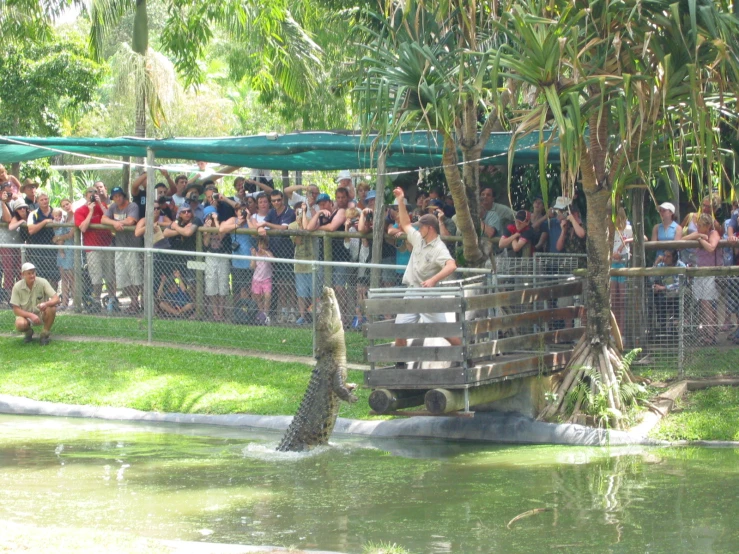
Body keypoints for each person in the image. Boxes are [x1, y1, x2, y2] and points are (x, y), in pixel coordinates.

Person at [391, 187, 461, 356]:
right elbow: (406, 224)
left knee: (446, 333)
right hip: (412, 291)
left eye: (420, 226)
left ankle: (466, 356)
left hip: (429, 294)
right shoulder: (418, 239)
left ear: (429, 228)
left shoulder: (439, 247)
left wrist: (433, 280)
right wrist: (401, 200)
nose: (418, 229)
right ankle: (400, 365)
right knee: (399, 330)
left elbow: (452, 265)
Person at [307, 189, 350, 322]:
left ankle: (342, 317)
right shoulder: (321, 215)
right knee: (326, 289)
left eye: (325, 203)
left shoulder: (341, 211)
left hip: (340, 257)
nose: (323, 206)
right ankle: (329, 317)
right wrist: (318, 213)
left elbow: (332, 228)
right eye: (320, 204)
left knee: (339, 289)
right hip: (324, 257)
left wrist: (318, 229)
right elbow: (309, 228)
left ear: (331, 203)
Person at [101, 186, 142, 313]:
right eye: (115, 196)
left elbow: (131, 221)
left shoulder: (132, 206)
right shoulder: (113, 207)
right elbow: (103, 219)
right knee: (122, 277)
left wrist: (119, 223)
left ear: (123, 196)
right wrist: (115, 223)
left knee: (135, 276)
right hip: (119, 246)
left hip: (133, 247)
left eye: (119, 195)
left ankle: (135, 304)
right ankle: (132, 302)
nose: (117, 198)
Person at [74, 187, 115, 311]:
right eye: (90, 193)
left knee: (110, 275)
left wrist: (100, 205)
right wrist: (91, 211)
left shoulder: (102, 205)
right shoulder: (80, 210)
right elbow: (83, 228)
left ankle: (112, 300)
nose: (92, 195)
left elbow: (110, 219)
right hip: (92, 247)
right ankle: (96, 301)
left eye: (95, 193)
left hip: (107, 245)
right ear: (86, 195)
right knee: (96, 276)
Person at [683, 213, 721, 344]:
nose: (698, 228)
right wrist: (697, 235)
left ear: (708, 225)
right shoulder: (700, 234)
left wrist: (700, 240)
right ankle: (707, 332)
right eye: (697, 226)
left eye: (700, 226)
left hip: (710, 273)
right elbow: (682, 240)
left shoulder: (713, 233)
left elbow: (711, 247)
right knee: (702, 304)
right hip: (699, 273)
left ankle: (710, 335)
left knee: (707, 304)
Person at [261, 190, 296, 323]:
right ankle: (283, 312)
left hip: (288, 253)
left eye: (278, 200)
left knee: (290, 285)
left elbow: (283, 228)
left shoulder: (289, 212)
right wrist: (262, 227)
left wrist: (266, 225)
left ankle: (292, 311)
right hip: (275, 253)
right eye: (274, 200)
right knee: (280, 285)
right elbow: (261, 226)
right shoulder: (271, 212)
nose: (276, 202)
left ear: (283, 199)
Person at [10, 262, 59, 345]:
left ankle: (44, 334)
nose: (32, 275)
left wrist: (46, 304)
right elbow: (16, 310)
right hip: (26, 316)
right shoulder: (17, 287)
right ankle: (29, 333)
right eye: (29, 273)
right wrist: (30, 315)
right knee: (20, 324)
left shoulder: (42, 282)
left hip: (41, 314)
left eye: (33, 273)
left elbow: (56, 298)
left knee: (52, 308)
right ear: (23, 274)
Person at [202, 205, 231, 322]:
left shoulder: (222, 224)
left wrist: (216, 221)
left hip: (222, 255)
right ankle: (215, 311)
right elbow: (205, 243)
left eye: (212, 215)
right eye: (208, 216)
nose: (210, 218)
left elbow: (220, 235)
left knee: (223, 282)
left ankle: (221, 310)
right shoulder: (205, 227)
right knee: (211, 282)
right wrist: (208, 230)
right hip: (211, 255)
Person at [289, 202, 316, 326]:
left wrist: (304, 219)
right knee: (301, 291)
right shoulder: (291, 226)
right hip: (299, 261)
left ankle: (314, 315)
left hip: (312, 260)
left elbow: (308, 229)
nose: (300, 213)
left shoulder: (310, 221)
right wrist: (299, 226)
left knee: (314, 291)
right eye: (298, 211)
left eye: (302, 211)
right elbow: (298, 241)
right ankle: (302, 315)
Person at [26, 191, 59, 287]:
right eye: (42, 200)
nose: (44, 201)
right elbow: (31, 230)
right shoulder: (33, 214)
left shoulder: (56, 212)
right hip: (38, 251)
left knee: (54, 277)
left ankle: (53, 298)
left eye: (46, 199)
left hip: (53, 250)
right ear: (37, 201)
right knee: (39, 276)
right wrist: (45, 222)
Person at [652, 249, 685, 336]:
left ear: (674, 258)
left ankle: (675, 324)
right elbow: (651, 279)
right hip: (664, 294)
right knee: (657, 297)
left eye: (668, 256)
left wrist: (664, 287)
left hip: (678, 293)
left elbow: (680, 284)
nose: (665, 258)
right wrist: (656, 263)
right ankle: (662, 326)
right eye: (664, 256)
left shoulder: (681, 265)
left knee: (678, 297)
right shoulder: (661, 265)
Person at [611, 207, 633, 334]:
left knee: (622, 299)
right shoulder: (610, 228)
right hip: (613, 263)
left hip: (623, 263)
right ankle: (614, 330)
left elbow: (641, 238)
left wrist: (626, 241)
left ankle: (622, 330)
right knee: (614, 299)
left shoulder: (628, 229)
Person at [1, 187, 22, 302]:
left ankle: (19, 296)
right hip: (5, 243)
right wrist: (3, 202)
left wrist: (17, 197)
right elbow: (8, 219)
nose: (9, 193)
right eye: (6, 192)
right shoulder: (1, 204)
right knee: (8, 270)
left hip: (18, 242)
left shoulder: (16, 201)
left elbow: (24, 213)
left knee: (19, 269)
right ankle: (9, 298)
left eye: (11, 191)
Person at [52, 204, 75, 310]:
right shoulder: (62, 220)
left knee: (72, 277)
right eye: (63, 205)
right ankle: (65, 302)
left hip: (70, 249)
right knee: (64, 278)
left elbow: (70, 235)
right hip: (61, 251)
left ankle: (76, 302)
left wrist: (58, 238)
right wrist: (57, 239)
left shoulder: (74, 217)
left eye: (67, 204)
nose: (66, 206)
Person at [251, 236, 274, 325]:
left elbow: (273, 260)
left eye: (263, 244)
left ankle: (266, 312)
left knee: (267, 295)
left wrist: (266, 253)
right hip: (256, 279)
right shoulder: (256, 254)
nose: (261, 246)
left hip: (266, 279)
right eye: (260, 244)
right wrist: (253, 256)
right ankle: (261, 313)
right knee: (257, 296)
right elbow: (252, 266)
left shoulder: (268, 253)